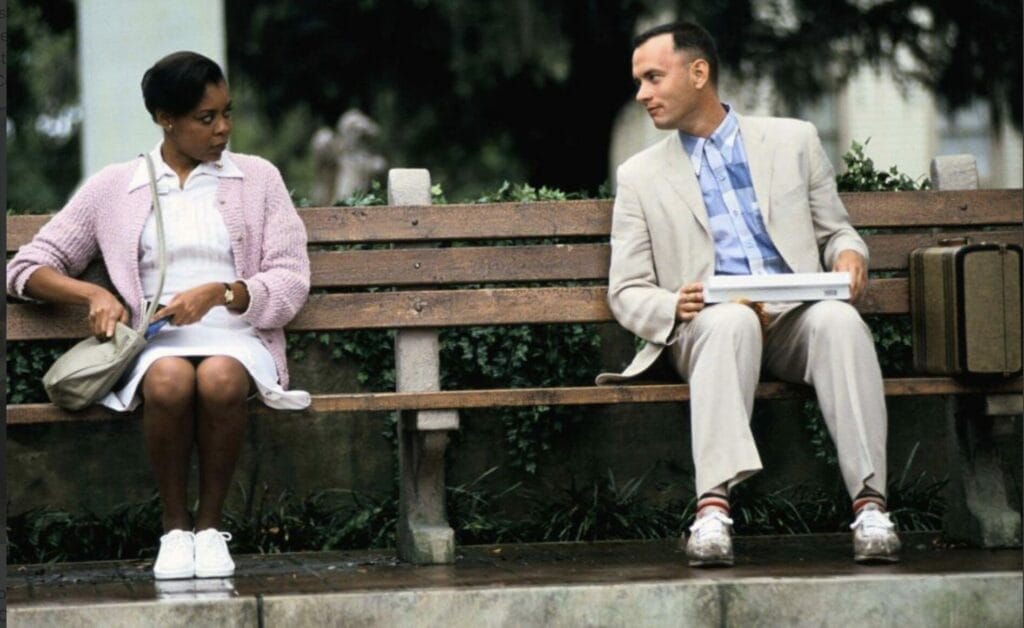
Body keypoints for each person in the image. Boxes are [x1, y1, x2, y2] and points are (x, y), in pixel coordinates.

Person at [596, 22, 901, 566]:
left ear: (698, 73)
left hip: (793, 320)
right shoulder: (640, 175)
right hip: (706, 327)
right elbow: (626, 290)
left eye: (652, 78)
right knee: (730, 321)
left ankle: (871, 505)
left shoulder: (794, 140)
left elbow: (836, 232)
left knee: (840, 322)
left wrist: (850, 256)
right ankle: (712, 511)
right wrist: (673, 306)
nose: (641, 93)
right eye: (638, 81)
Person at [7, 51, 312, 579]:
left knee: (219, 378)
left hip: (237, 335)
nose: (223, 129)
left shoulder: (258, 178)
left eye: (226, 113)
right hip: (157, 342)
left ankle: (211, 529)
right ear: (164, 118)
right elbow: (27, 267)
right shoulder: (116, 186)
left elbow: (290, 280)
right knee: (169, 380)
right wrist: (92, 296)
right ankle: (175, 529)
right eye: (206, 117)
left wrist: (220, 293)